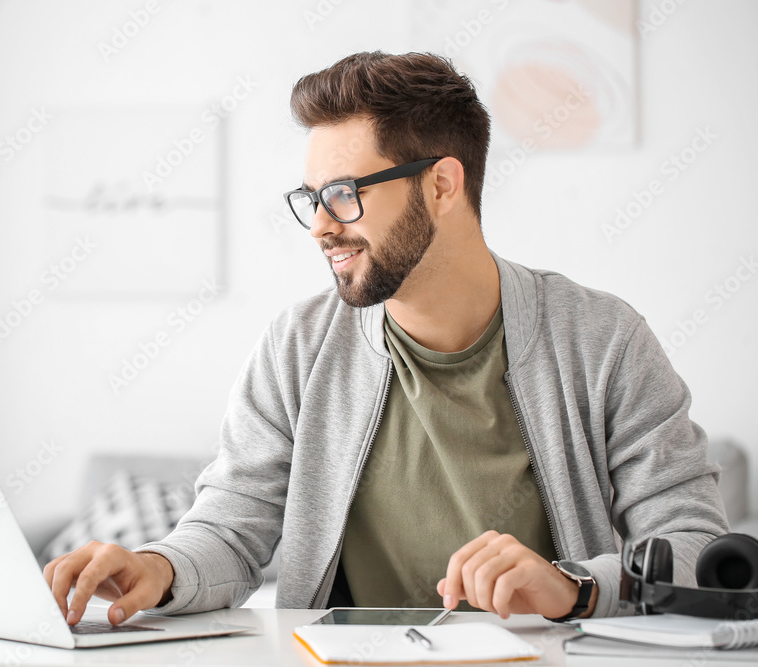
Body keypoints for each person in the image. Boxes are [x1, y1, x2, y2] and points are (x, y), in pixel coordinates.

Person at [43, 51, 729, 627]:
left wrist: (573, 586)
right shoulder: (297, 346)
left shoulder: (604, 340)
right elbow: (230, 528)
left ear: (441, 185)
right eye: (311, 198)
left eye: (344, 193)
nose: (319, 225)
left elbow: (696, 548)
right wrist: (158, 567)